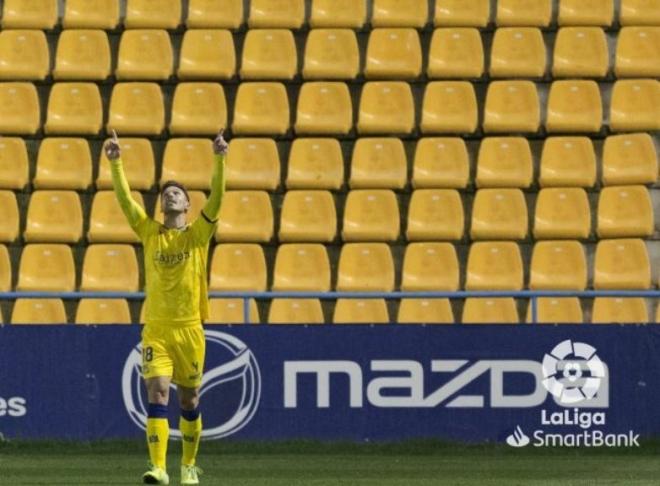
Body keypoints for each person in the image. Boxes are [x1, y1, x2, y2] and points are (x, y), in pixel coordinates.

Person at [105, 129, 227, 485]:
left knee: (189, 400)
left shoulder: (197, 235)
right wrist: (116, 163)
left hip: (189, 328)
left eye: (177, 193)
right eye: (166, 193)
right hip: (156, 328)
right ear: (162, 206)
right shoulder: (149, 232)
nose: (170, 195)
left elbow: (218, 197)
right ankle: (158, 467)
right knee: (157, 391)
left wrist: (220, 157)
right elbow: (126, 201)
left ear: (188, 205)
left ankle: (188, 465)